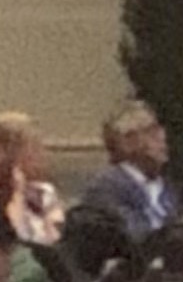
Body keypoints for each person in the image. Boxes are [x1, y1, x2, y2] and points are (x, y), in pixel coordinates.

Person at [73, 102, 176, 238]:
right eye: (151, 131)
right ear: (127, 143)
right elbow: (131, 235)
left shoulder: (165, 185)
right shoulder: (106, 188)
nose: (162, 137)